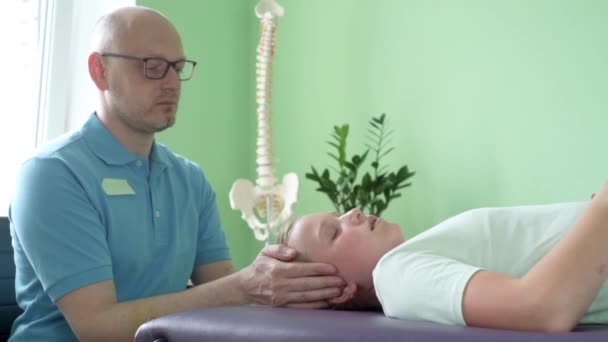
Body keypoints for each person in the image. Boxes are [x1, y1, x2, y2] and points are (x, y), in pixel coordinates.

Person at [8, 6, 344, 342]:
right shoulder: (53, 174)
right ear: (100, 72)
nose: (172, 84)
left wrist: (295, 282)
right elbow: (97, 328)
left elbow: (222, 291)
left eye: (178, 68)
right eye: (152, 68)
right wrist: (245, 287)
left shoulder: (189, 179)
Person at [278, 180, 608, 332]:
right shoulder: (395, 275)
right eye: (334, 232)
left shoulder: (414, 259)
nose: (352, 212)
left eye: (338, 214)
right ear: (339, 288)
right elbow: (541, 309)